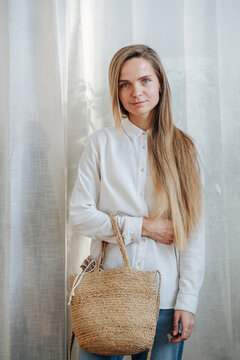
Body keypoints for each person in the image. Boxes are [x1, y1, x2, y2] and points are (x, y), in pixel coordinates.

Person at [69, 44, 205, 360]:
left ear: (160, 84)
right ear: (115, 91)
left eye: (145, 80)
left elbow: (194, 234)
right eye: (124, 84)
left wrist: (188, 301)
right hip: (106, 295)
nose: (136, 92)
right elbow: (79, 216)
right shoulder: (101, 144)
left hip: (166, 301)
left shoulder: (184, 148)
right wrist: (144, 227)